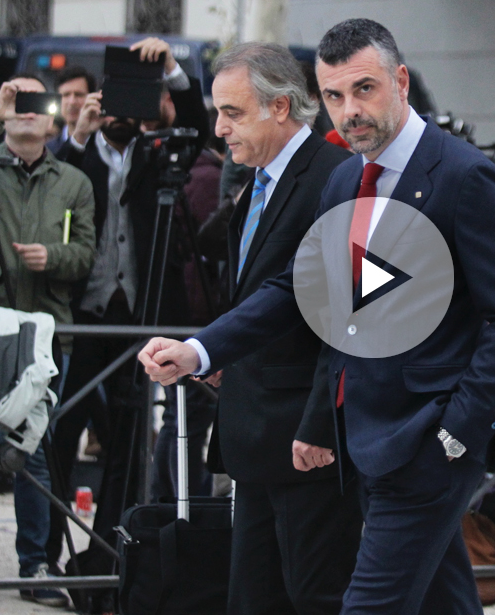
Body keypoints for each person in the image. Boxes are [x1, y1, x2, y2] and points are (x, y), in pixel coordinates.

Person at [139, 18, 495, 615]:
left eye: (364, 89)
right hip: (363, 442)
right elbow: (302, 292)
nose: (349, 110)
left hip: (426, 440)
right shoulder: (346, 179)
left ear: (400, 81)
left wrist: (458, 432)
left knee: (369, 605)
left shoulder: (463, 175)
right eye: (333, 96)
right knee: (444, 602)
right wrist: (202, 350)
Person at [42, 38, 210, 599]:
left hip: (141, 316)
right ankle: (45, 554)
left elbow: (196, 127)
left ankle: (110, 550)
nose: (114, 111)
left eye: (123, 102)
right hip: (86, 314)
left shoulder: (159, 151)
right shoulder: (77, 154)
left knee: (128, 435)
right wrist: (79, 135)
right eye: (105, 101)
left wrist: (170, 70)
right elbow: (50, 188)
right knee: (61, 429)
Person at [201, 42, 359, 615]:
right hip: (257, 428)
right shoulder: (258, 182)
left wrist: (320, 424)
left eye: (232, 113)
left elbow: (341, 319)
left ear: (282, 107)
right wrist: (224, 353)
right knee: (253, 596)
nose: (219, 128)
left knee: (314, 595)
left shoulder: (334, 176)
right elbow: (255, 291)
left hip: (305, 436)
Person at [0, 74, 96, 608]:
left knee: (35, 451)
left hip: (47, 327)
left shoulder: (74, 182)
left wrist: (51, 257)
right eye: (18, 100)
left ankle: (35, 564)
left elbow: (86, 255)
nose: (27, 111)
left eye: (36, 102)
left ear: (54, 118)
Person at [47, 66, 97, 153]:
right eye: (66, 95)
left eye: (79, 95)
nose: (72, 102)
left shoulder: (105, 146)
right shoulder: (48, 150)